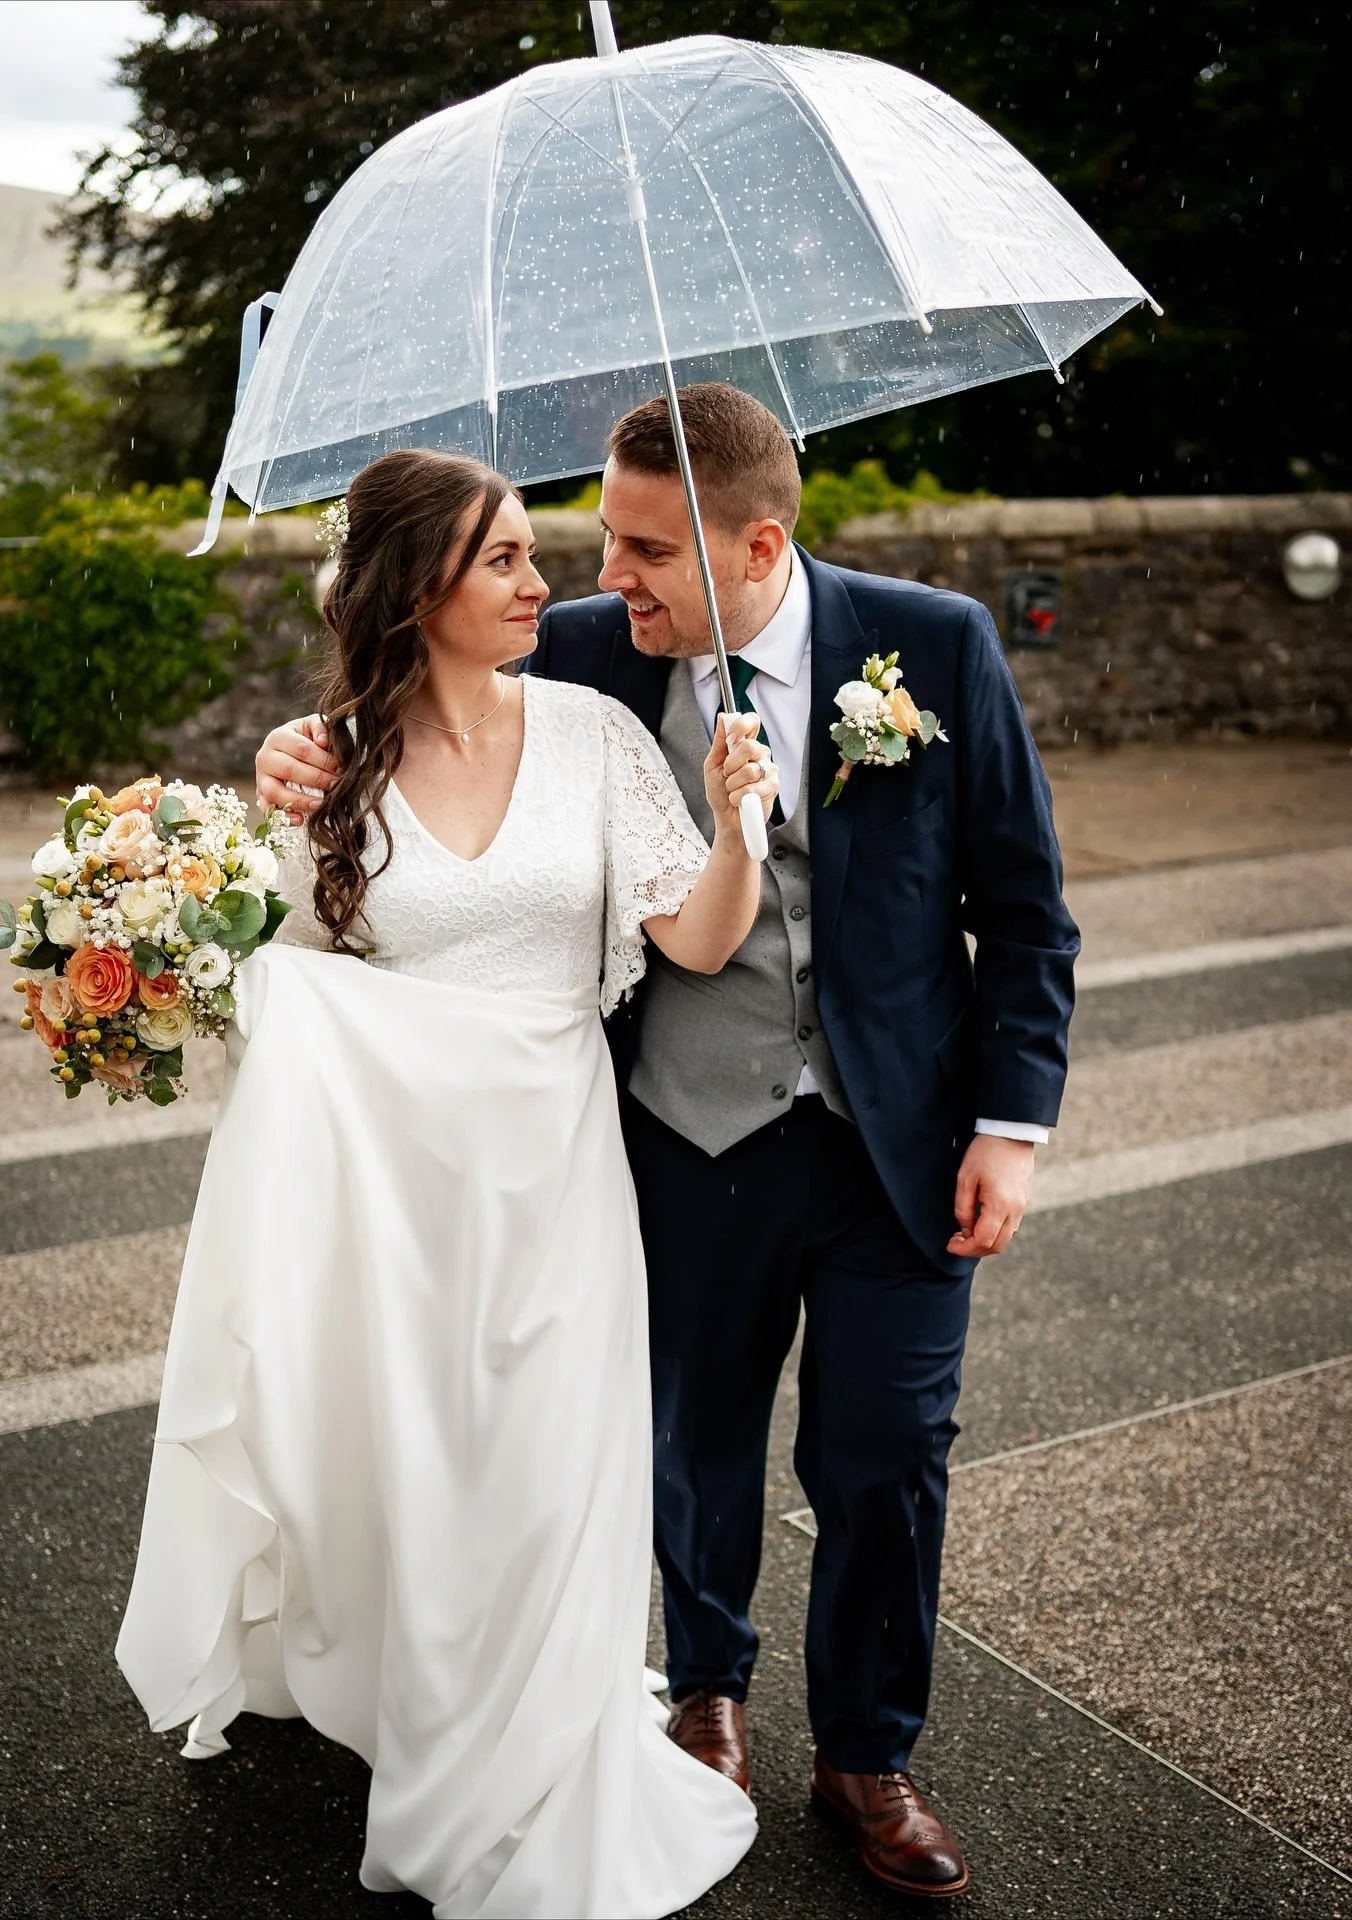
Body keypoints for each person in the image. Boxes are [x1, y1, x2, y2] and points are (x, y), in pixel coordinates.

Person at [257, 385, 1080, 1903]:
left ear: (757, 542)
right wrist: (293, 754)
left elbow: (1023, 913)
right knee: (693, 1447)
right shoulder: (572, 656)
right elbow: (402, 701)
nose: (600, 579)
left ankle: (869, 1755)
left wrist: (1012, 1130)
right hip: (686, 1137)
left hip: (901, 1138)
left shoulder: (937, 645)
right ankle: (706, 1691)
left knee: (888, 1454)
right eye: (598, 545)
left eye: (642, 550)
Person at [120, 448, 776, 1918]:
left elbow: (701, 943)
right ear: (418, 587)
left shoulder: (601, 737)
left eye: (540, 555)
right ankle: (424, 1694)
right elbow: (273, 972)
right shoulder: (331, 760)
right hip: (398, 1201)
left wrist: (739, 820)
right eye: (503, 561)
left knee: (552, 1469)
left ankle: (538, 1751)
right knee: (427, 1476)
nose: (541, 584)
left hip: (555, 1166)